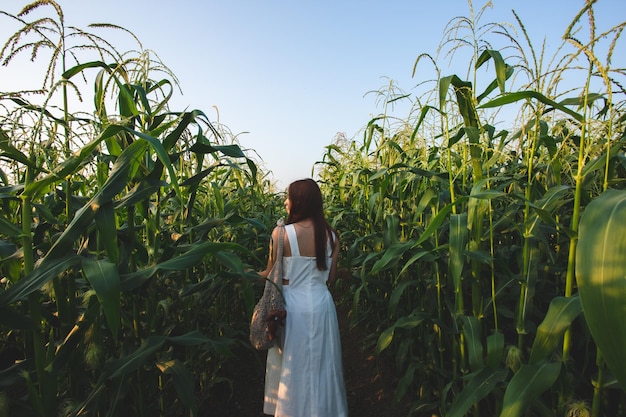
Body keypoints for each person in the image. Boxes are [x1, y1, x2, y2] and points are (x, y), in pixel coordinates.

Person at [257, 178, 348, 417]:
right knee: (322, 365)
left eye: (289, 198)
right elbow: (330, 278)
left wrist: (241, 273)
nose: (286, 202)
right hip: (321, 305)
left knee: (292, 366)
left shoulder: (281, 234)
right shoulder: (332, 236)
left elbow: (269, 274)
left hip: (291, 307)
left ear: (299, 202)